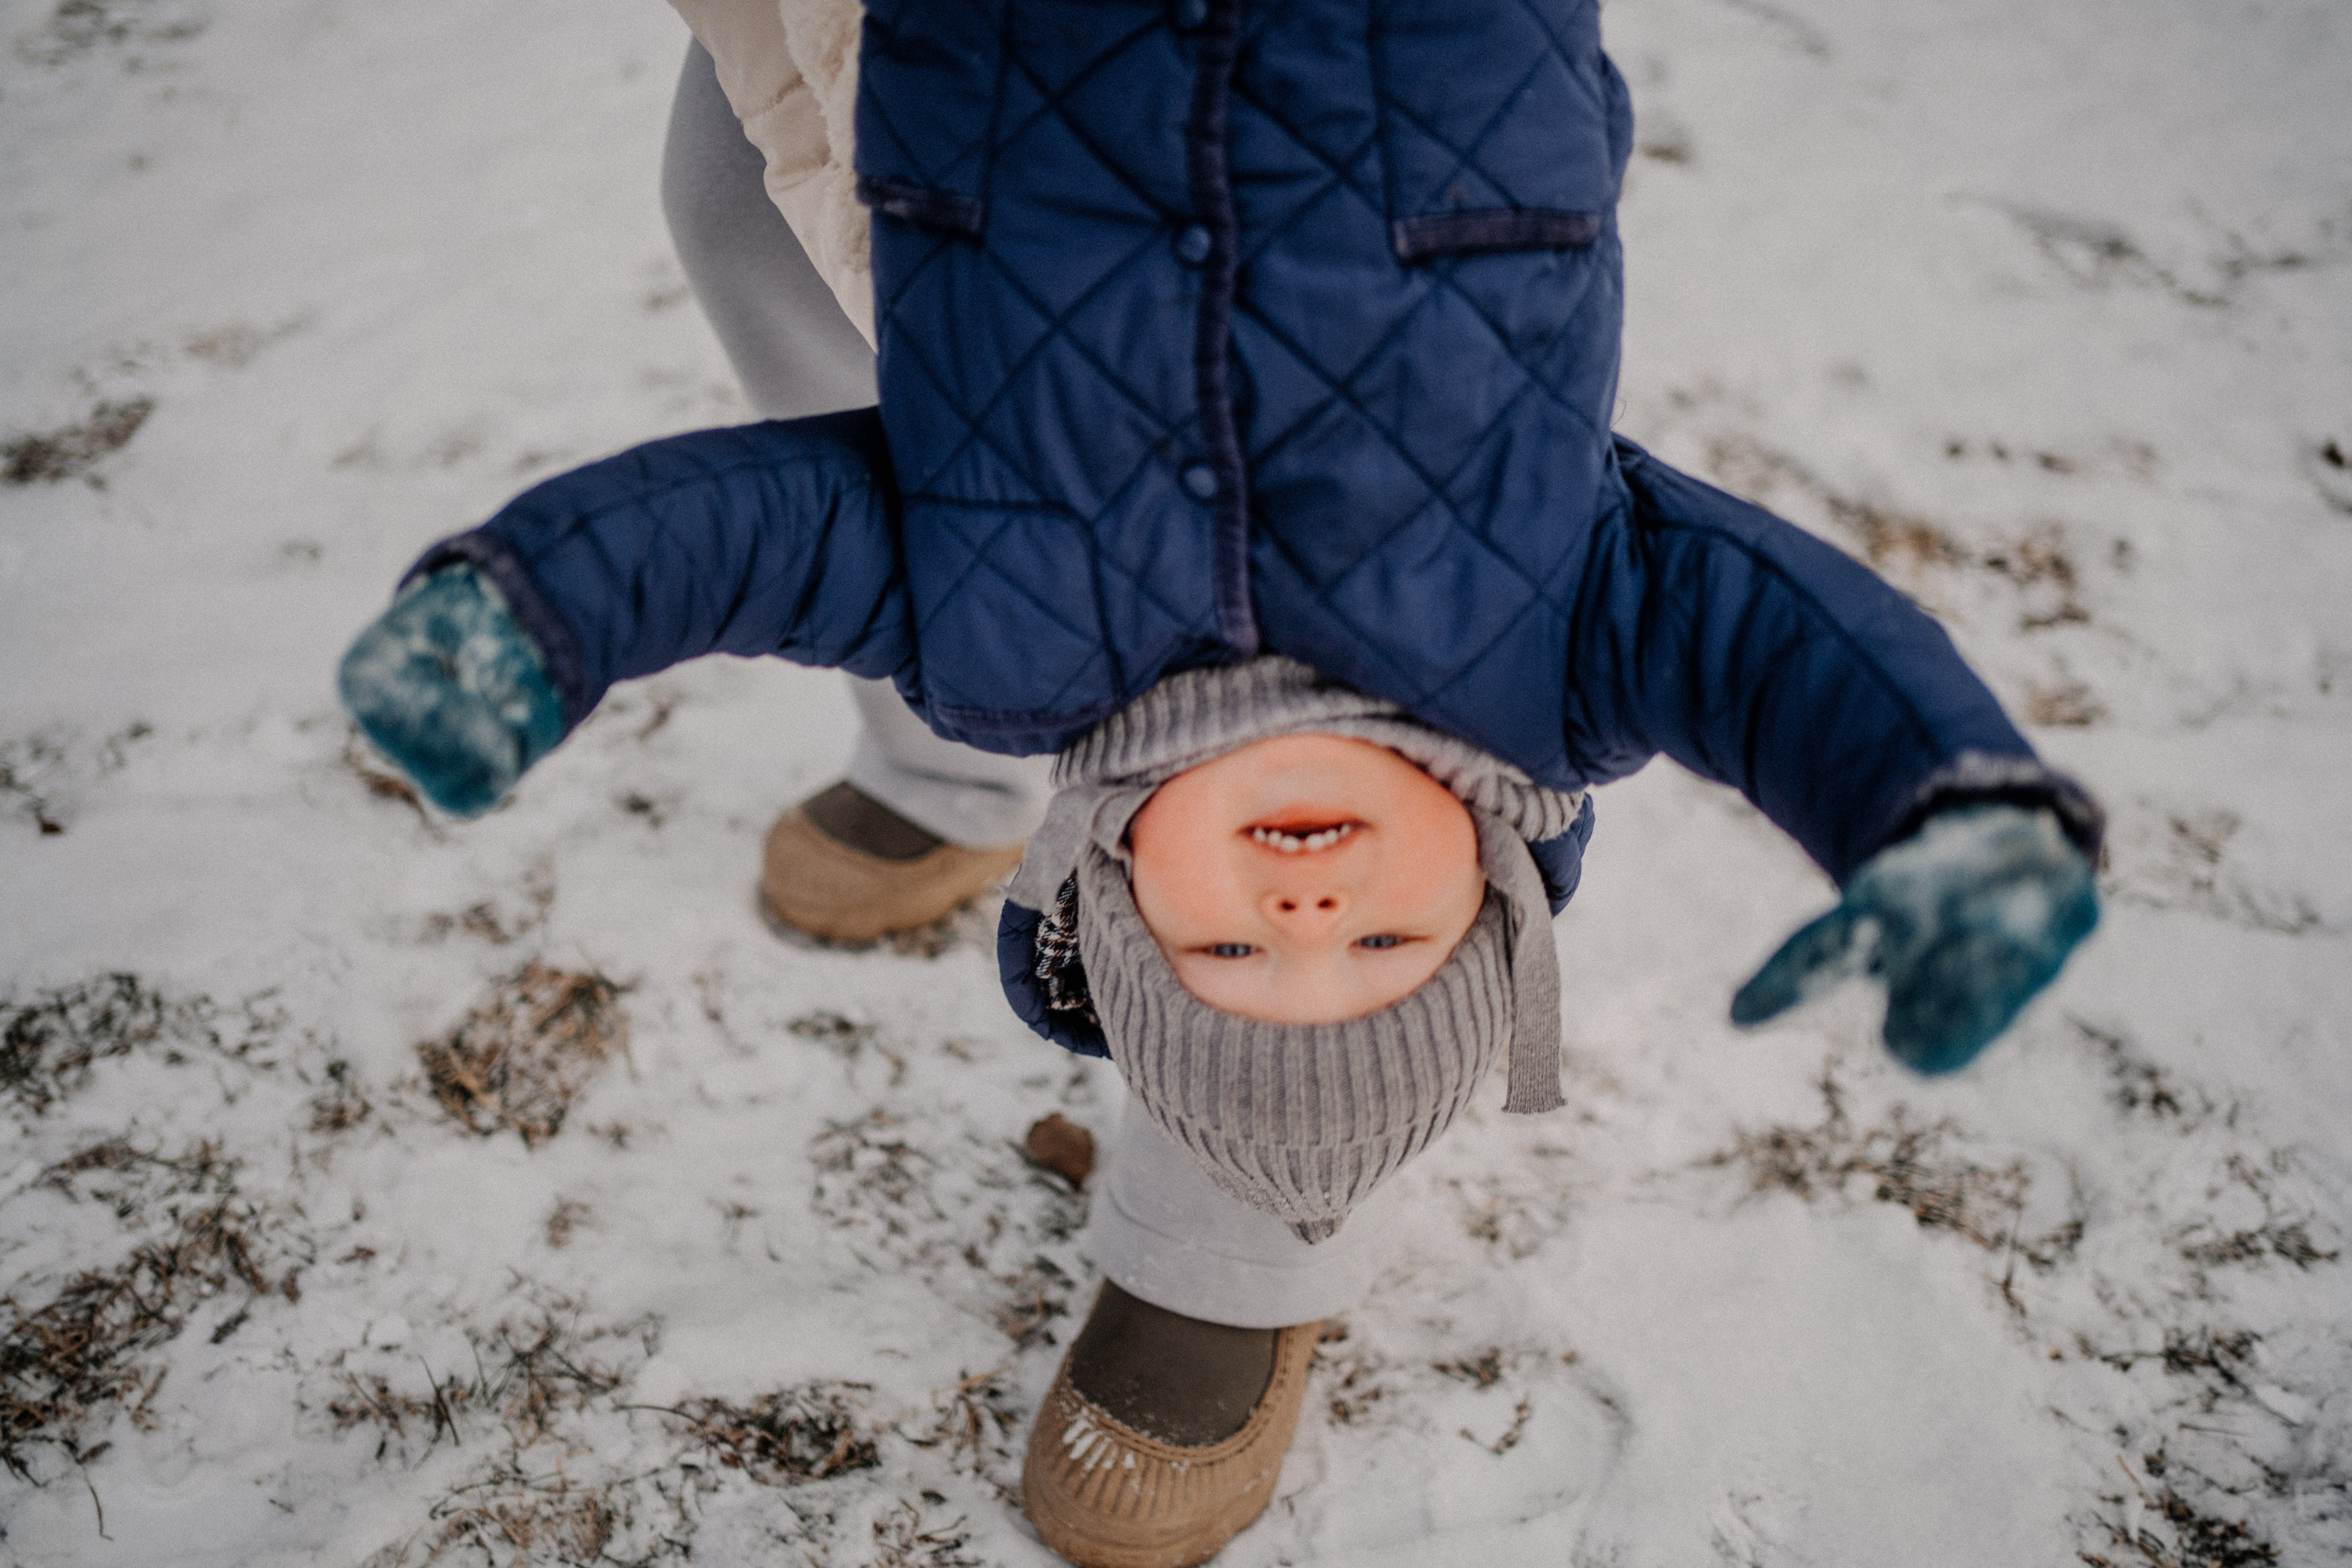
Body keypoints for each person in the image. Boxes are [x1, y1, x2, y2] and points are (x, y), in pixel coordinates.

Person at [335, 4, 2104, 1562]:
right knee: (754, 205)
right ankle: (971, 816)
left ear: (1107, 890)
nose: (1307, 914)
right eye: (1387, 947)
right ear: (1493, 866)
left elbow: (748, 534)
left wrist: (536, 616)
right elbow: (1784, 648)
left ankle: (1220, 1231)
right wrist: (1942, 815)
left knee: (755, 179)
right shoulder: (1552, 634)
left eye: (1233, 967)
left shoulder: (1015, 630)